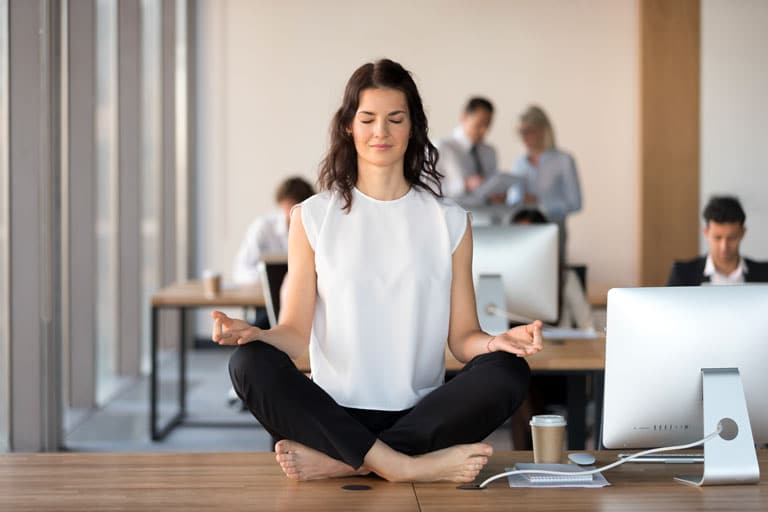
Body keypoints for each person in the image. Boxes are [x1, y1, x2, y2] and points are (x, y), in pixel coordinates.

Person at [212, 59, 543, 483]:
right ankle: (404, 465)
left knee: (509, 371)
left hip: (420, 414)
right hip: (334, 412)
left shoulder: (450, 220)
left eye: (395, 119)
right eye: (367, 119)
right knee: (248, 363)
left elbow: (463, 340)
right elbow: (294, 334)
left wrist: (498, 341)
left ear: (413, 127)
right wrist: (256, 335)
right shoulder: (312, 216)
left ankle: (348, 460)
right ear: (348, 126)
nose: (380, 132)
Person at [510, 105, 582, 261]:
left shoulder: (563, 160)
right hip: (523, 233)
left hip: (552, 230)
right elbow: (513, 200)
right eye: (521, 132)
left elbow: (575, 203)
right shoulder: (519, 164)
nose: (524, 137)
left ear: (543, 130)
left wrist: (540, 202)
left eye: (529, 131)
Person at [511, 209, 594, 331]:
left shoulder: (565, 277)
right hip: (514, 341)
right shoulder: (506, 278)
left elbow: (587, 325)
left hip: (558, 342)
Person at [232, 176, 315, 286]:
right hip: (262, 292)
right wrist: (272, 279)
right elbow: (241, 271)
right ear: (282, 203)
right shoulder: (263, 228)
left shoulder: (313, 229)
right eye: (289, 205)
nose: (292, 212)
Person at [667, 196, 768, 286]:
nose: (724, 246)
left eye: (731, 238)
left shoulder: (764, 273)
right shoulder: (683, 274)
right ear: (706, 232)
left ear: (742, 233)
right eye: (717, 237)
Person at [436, 97, 503, 203]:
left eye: (487, 125)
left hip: (487, 212)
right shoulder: (441, 148)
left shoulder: (490, 152)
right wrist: (464, 185)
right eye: (479, 124)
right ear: (464, 117)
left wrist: (497, 195)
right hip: (452, 211)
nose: (484, 130)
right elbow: (428, 190)